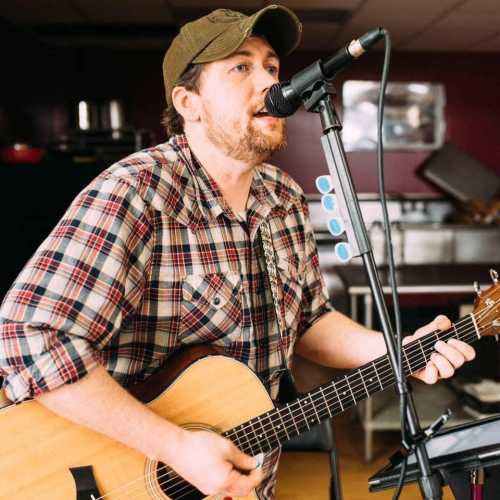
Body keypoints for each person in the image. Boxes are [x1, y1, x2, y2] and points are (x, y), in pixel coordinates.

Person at [0, 5, 475, 499]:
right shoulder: (137, 192)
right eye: (241, 68)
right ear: (189, 102)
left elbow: (309, 320)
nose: (269, 83)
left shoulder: (284, 199)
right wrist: (176, 447)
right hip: (119, 478)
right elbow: (29, 337)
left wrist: (395, 353)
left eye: (271, 67)